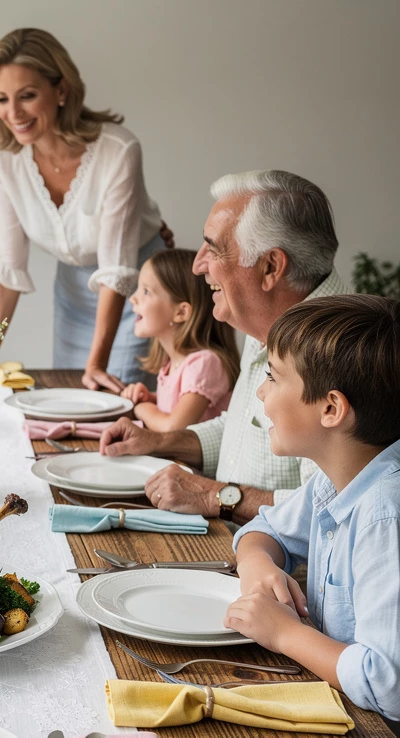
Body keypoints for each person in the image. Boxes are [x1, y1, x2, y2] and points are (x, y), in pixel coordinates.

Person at [183, 294, 400, 738]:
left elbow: (389, 680)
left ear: (331, 408)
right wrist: (260, 569)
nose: (261, 394)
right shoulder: (337, 477)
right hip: (345, 733)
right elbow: (265, 529)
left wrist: (284, 635)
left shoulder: (386, 511)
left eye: (274, 378)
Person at [99, 169, 349, 522]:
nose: (198, 265)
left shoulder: (337, 354)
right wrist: (157, 441)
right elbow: (241, 429)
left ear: (270, 267)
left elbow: (331, 511)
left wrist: (215, 496)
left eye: (213, 249)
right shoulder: (268, 317)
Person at [0, 28, 168, 388]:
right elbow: (6, 266)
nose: (13, 113)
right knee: (69, 397)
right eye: (2, 99)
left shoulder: (118, 151)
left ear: (62, 90)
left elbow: (116, 268)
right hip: (72, 294)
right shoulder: (4, 159)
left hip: (137, 293)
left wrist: (95, 364)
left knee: (117, 399)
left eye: (27, 96)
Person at [120, 248, 239, 431]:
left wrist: (141, 408)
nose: (133, 298)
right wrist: (151, 398)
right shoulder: (173, 363)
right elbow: (177, 406)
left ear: (181, 312)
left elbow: (173, 427)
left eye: (146, 291)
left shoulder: (204, 364)